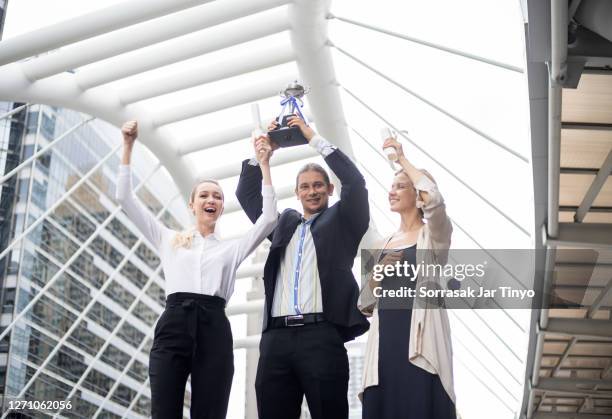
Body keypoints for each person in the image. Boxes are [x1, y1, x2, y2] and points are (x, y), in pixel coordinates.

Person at [116, 120, 278, 419]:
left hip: (214, 327)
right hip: (174, 324)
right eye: (204, 195)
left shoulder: (232, 248)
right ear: (192, 205)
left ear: (221, 206)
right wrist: (128, 145)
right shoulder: (168, 239)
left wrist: (264, 164)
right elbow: (125, 198)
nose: (211, 200)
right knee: (164, 412)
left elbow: (269, 219)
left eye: (217, 196)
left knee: (211, 412)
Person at [236, 116, 370, 419]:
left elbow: (355, 182)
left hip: (321, 335)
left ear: (330, 189)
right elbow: (246, 196)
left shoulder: (343, 221)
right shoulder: (281, 223)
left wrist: (311, 136)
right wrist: (263, 153)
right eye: (305, 187)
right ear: (296, 193)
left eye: (318, 185)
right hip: (275, 341)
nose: (312, 191)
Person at [360, 135, 456, 419]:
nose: (392, 191)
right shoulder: (379, 244)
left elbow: (435, 200)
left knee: (420, 405)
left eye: (401, 186)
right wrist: (379, 271)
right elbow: (364, 302)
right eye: (391, 186)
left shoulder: (434, 236)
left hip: (420, 342)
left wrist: (401, 160)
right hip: (385, 342)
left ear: (417, 195)